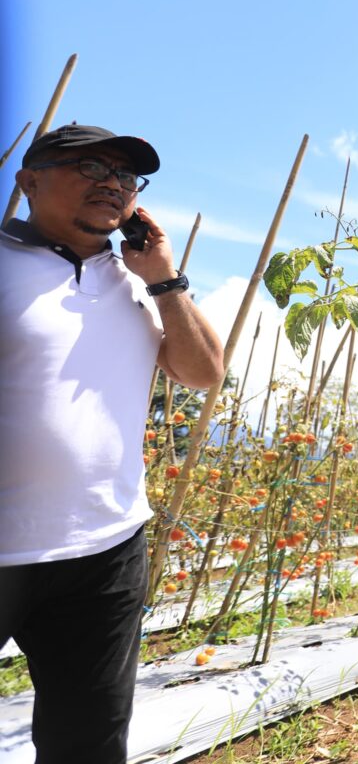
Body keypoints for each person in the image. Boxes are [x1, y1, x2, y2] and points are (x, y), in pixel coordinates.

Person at [0, 124, 224, 764]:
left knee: (88, 744)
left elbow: (204, 372)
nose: (112, 183)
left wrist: (163, 275)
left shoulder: (138, 284)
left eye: (126, 177)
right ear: (29, 180)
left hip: (105, 550)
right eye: (91, 166)